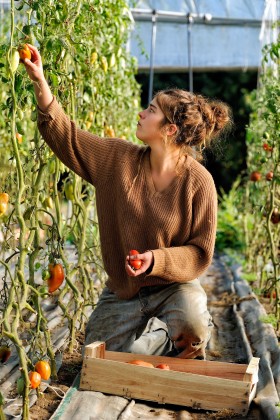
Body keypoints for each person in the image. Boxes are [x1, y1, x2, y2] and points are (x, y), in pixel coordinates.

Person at [24, 44, 232, 359]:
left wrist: (156, 260)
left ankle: (185, 334)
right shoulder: (117, 159)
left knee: (193, 327)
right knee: (101, 358)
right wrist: (40, 80)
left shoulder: (199, 183)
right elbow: (67, 136)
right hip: (125, 291)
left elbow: (200, 254)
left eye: (150, 110)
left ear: (169, 130)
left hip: (173, 287)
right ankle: (161, 340)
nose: (141, 113)